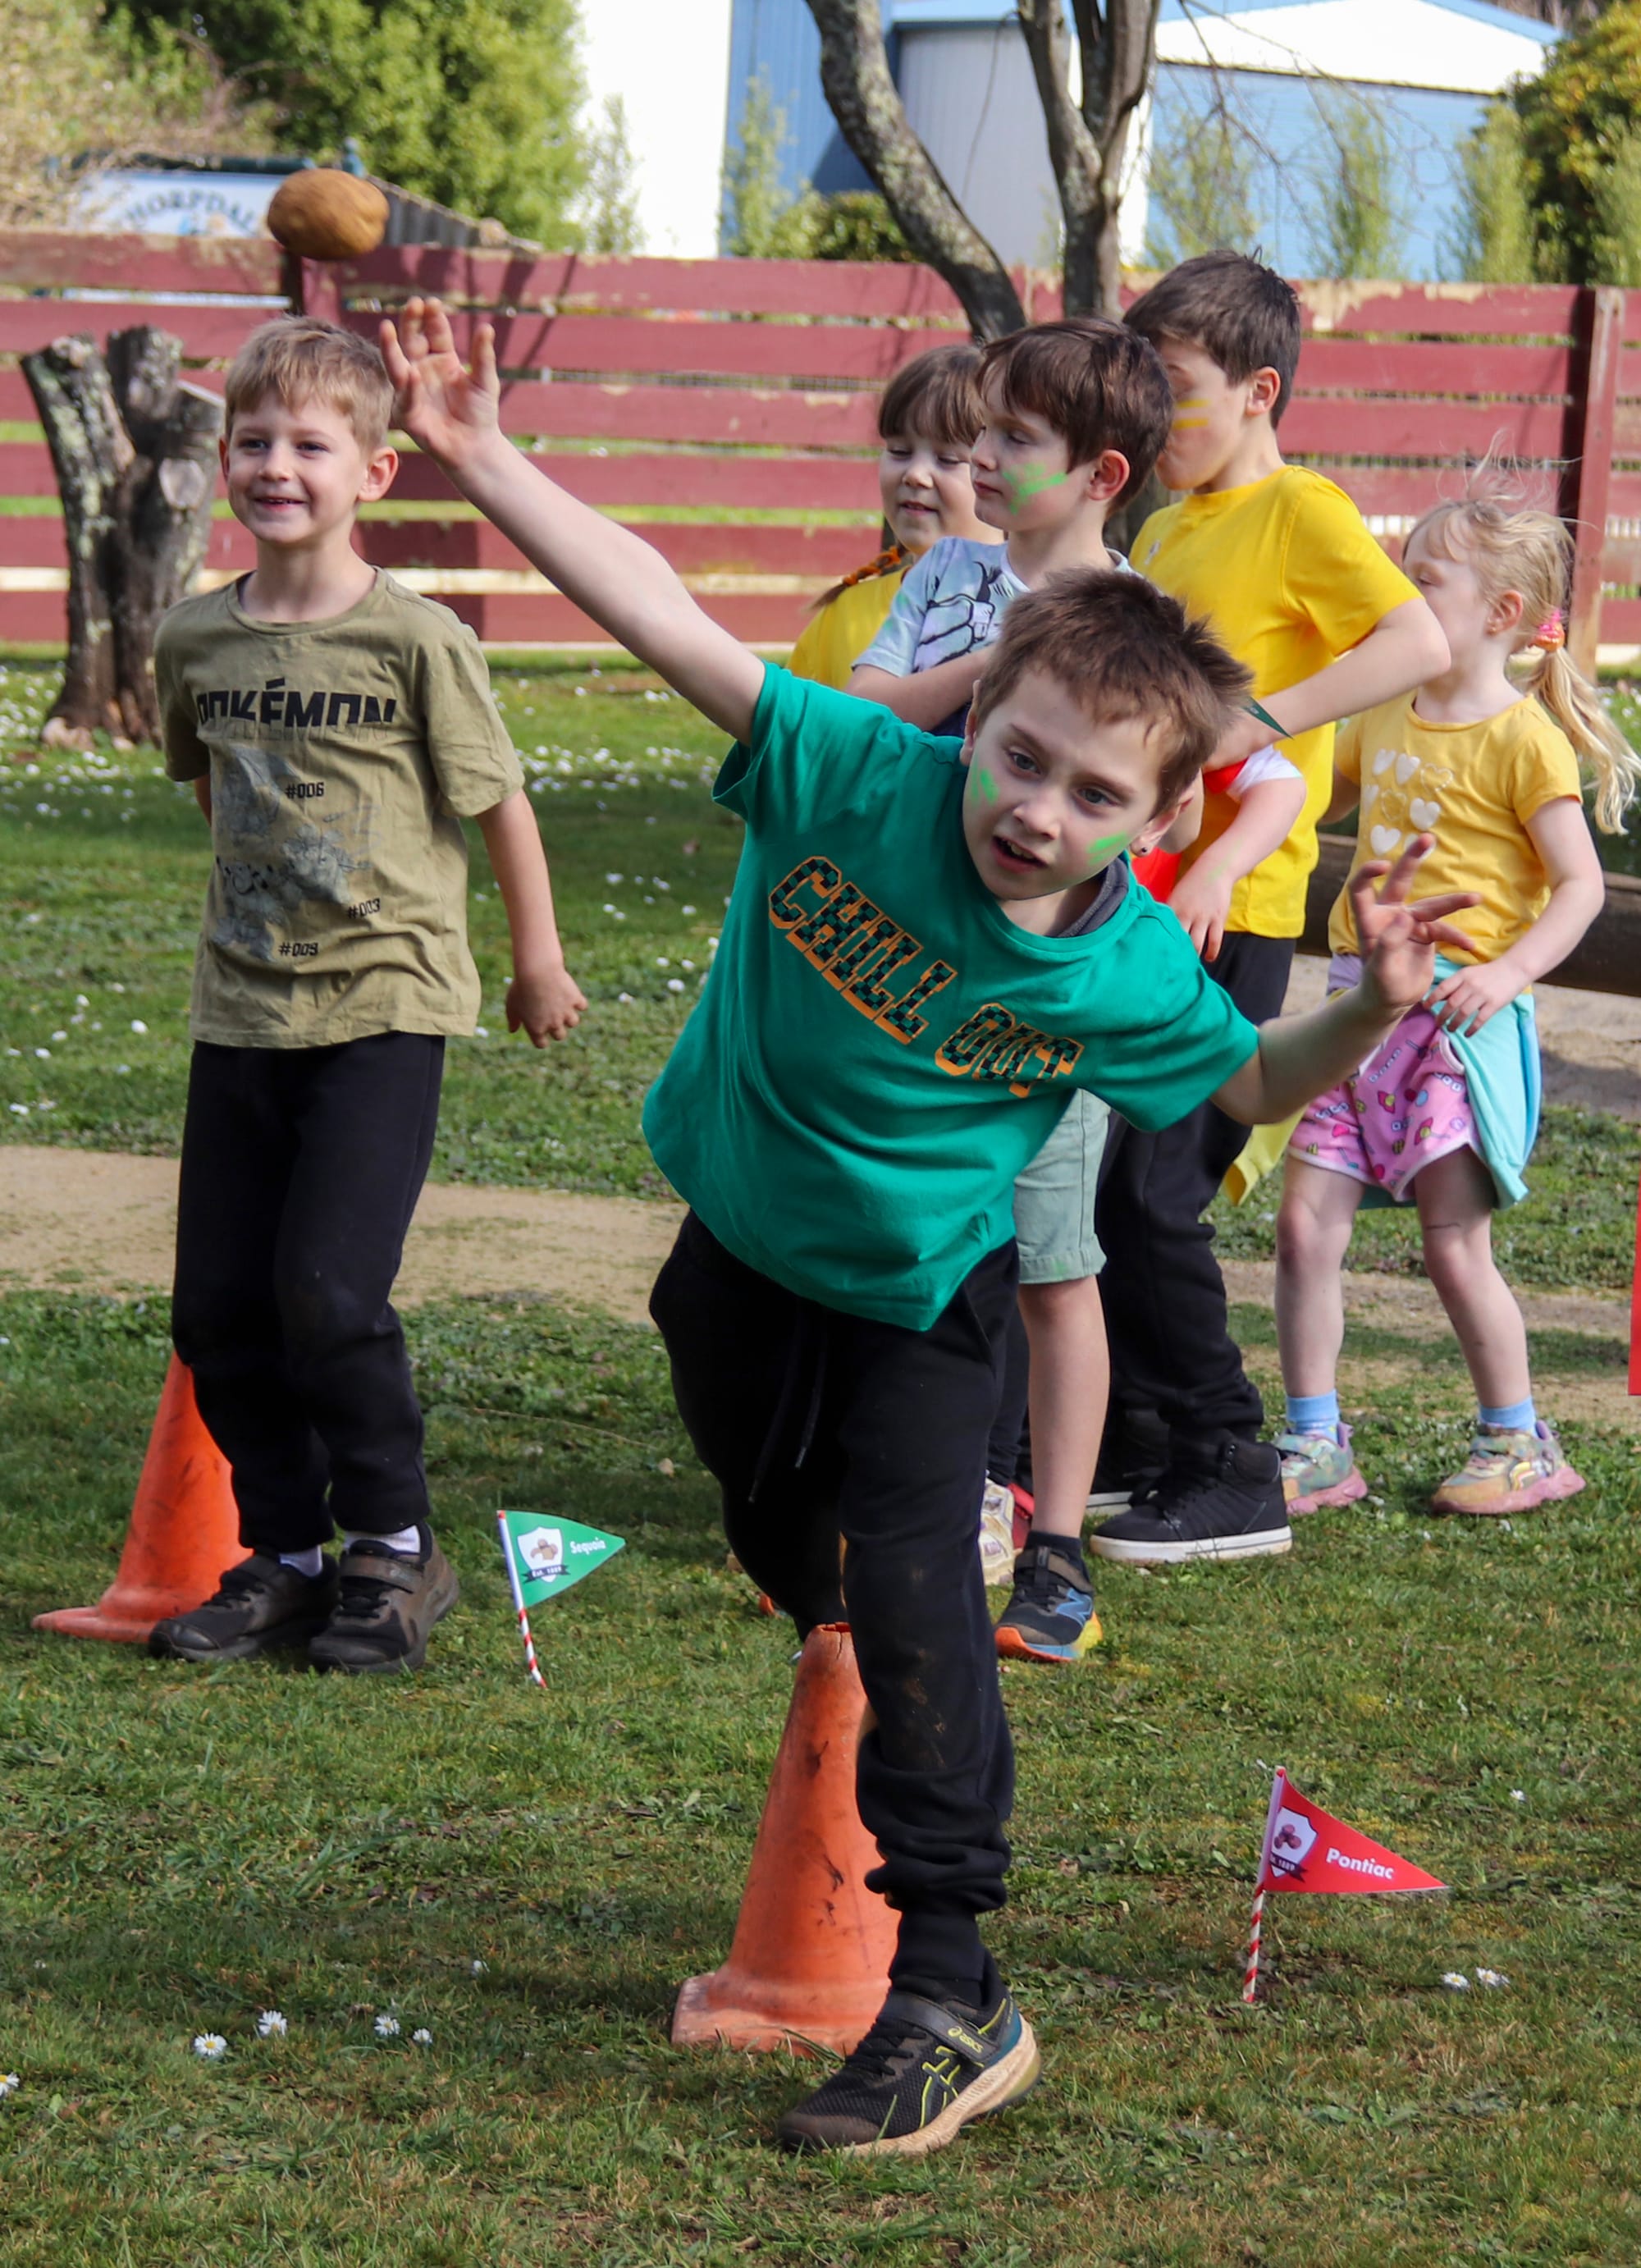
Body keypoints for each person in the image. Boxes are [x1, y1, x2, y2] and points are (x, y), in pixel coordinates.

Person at [381, 293, 1479, 2156]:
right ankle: (852, 1610)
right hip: (730, 1248)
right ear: (979, 715)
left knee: (909, 1591)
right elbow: (659, 614)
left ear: (1152, 814)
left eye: (1096, 794)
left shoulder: (1125, 959)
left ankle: (950, 1983)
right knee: (760, 1509)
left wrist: (1368, 1003)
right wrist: (483, 457)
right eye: (1022, 756)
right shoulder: (851, 776)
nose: (1039, 810)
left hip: (915, 1300)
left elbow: (1236, 1083)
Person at [851, 318, 1300, 1659]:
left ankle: (1052, 1553)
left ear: (1102, 473)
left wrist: (1215, 864)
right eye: (976, 432)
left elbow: (1259, 766)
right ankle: (939, 1497)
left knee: (1057, 1267)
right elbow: (868, 715)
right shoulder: (945, 576)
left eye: (1010, 439)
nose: (977, 459)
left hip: (1051, 998)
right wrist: (990, 675)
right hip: (911, 985)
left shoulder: (1139, 621)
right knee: (918, 1247)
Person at [148, 316, 585, 1675]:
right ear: (226, 460)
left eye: (312, 444)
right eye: (257, 442)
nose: (279, 465)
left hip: (386, 1008)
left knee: (330, 1291)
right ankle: (284, 1556)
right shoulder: (195, 639)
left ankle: (393, 1548)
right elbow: (219, 786)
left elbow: (497, 800)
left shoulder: (415, 640)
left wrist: (538, 956)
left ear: (375, 473)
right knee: (219, 1306)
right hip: (243, 1014)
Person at [1088, 250, 1450, 1569]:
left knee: (1155, 1193)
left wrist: (1263, 716)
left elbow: (1413, 640)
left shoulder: (1299, 508)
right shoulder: (1169, 524)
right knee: (1109, 1189)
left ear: (1259, 389)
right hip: (1142, 902)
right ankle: (1141, 1448)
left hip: (1236, 907)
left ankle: (1234, 1471)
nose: (1152, 417)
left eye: (1172, 391)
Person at [1276, 478, 1637, 1518]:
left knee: (1450, 1244)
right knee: (1303, 1230)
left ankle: (1517, 1443)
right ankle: (1311, 1443)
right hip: (1351, 1013)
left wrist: (1509, 972)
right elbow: (1308, 791)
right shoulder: (1381, 709)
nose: (1393, 595)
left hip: (1453, 1026)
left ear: (1501, 615)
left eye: (1418, 581)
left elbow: (1576, 886)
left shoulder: (1527, 742)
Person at [787, 342, 999, 693]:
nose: (915, 474)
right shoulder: (843, 618)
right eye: (899, 451)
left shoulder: (1037, 617)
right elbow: (801, 740)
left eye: (947, 459)